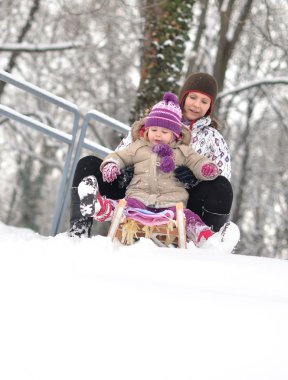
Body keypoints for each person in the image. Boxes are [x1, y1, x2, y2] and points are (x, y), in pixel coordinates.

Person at [69, 72, 232, 238]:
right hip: (138, 193)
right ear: (184, 97)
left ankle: (209, 242)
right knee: (88, 163)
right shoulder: (154, 121)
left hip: (179, 201)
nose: (197, 105)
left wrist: (195, 178)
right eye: (193, 97)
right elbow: (123, 153)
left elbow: (222, 176)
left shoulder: (213, 138)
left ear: (210, 107)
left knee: (222, 186)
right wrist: (125, 170)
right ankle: (79, 230)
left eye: (204, 101)